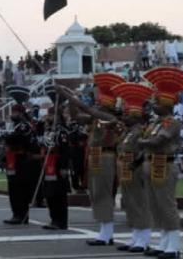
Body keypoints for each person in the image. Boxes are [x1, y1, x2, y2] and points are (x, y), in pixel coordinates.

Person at [140, 66, 183, 258]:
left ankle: (174, 246)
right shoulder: (155, 122)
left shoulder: (172, 122)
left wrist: (141, 142)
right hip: (152, 163)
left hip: (164, 164)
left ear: (166, 103)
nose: (153, 104)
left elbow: (159, 141)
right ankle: (163, 243)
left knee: (166, 205)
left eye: (156, 101)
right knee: (155, 206)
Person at [59, 85, 122, 247]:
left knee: (104, 193)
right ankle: (104, 232)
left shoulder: (109, 117)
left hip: (106, 156)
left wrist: (71, 96)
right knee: (96, 194)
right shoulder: (96, 118)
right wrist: (71, 99)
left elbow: (88, 109)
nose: (97, 104)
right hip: (95, 156)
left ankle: (107, 233)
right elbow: (76, 116)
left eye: (100, 102)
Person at [112, 83, 154, 252]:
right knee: (130, 204)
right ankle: (135, 238)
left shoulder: (140, 132)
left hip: (136, 170)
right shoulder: (128, 132)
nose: (124, 117)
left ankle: (143, 240)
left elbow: (145, 151)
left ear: (136, 116)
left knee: (139, 204)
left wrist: (136, 164)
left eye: (127, 115)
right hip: (126, 169)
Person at [0, 104, 36, 224]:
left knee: (19, 188)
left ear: (20, 113)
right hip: (13, 159)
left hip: (21, 160)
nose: (12, 115)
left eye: (14, 113)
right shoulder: (16, 126)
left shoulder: (24, 126)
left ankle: (21, 214)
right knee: (13, 188)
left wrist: (6, 138)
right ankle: (17, 213)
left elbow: (17, 138)